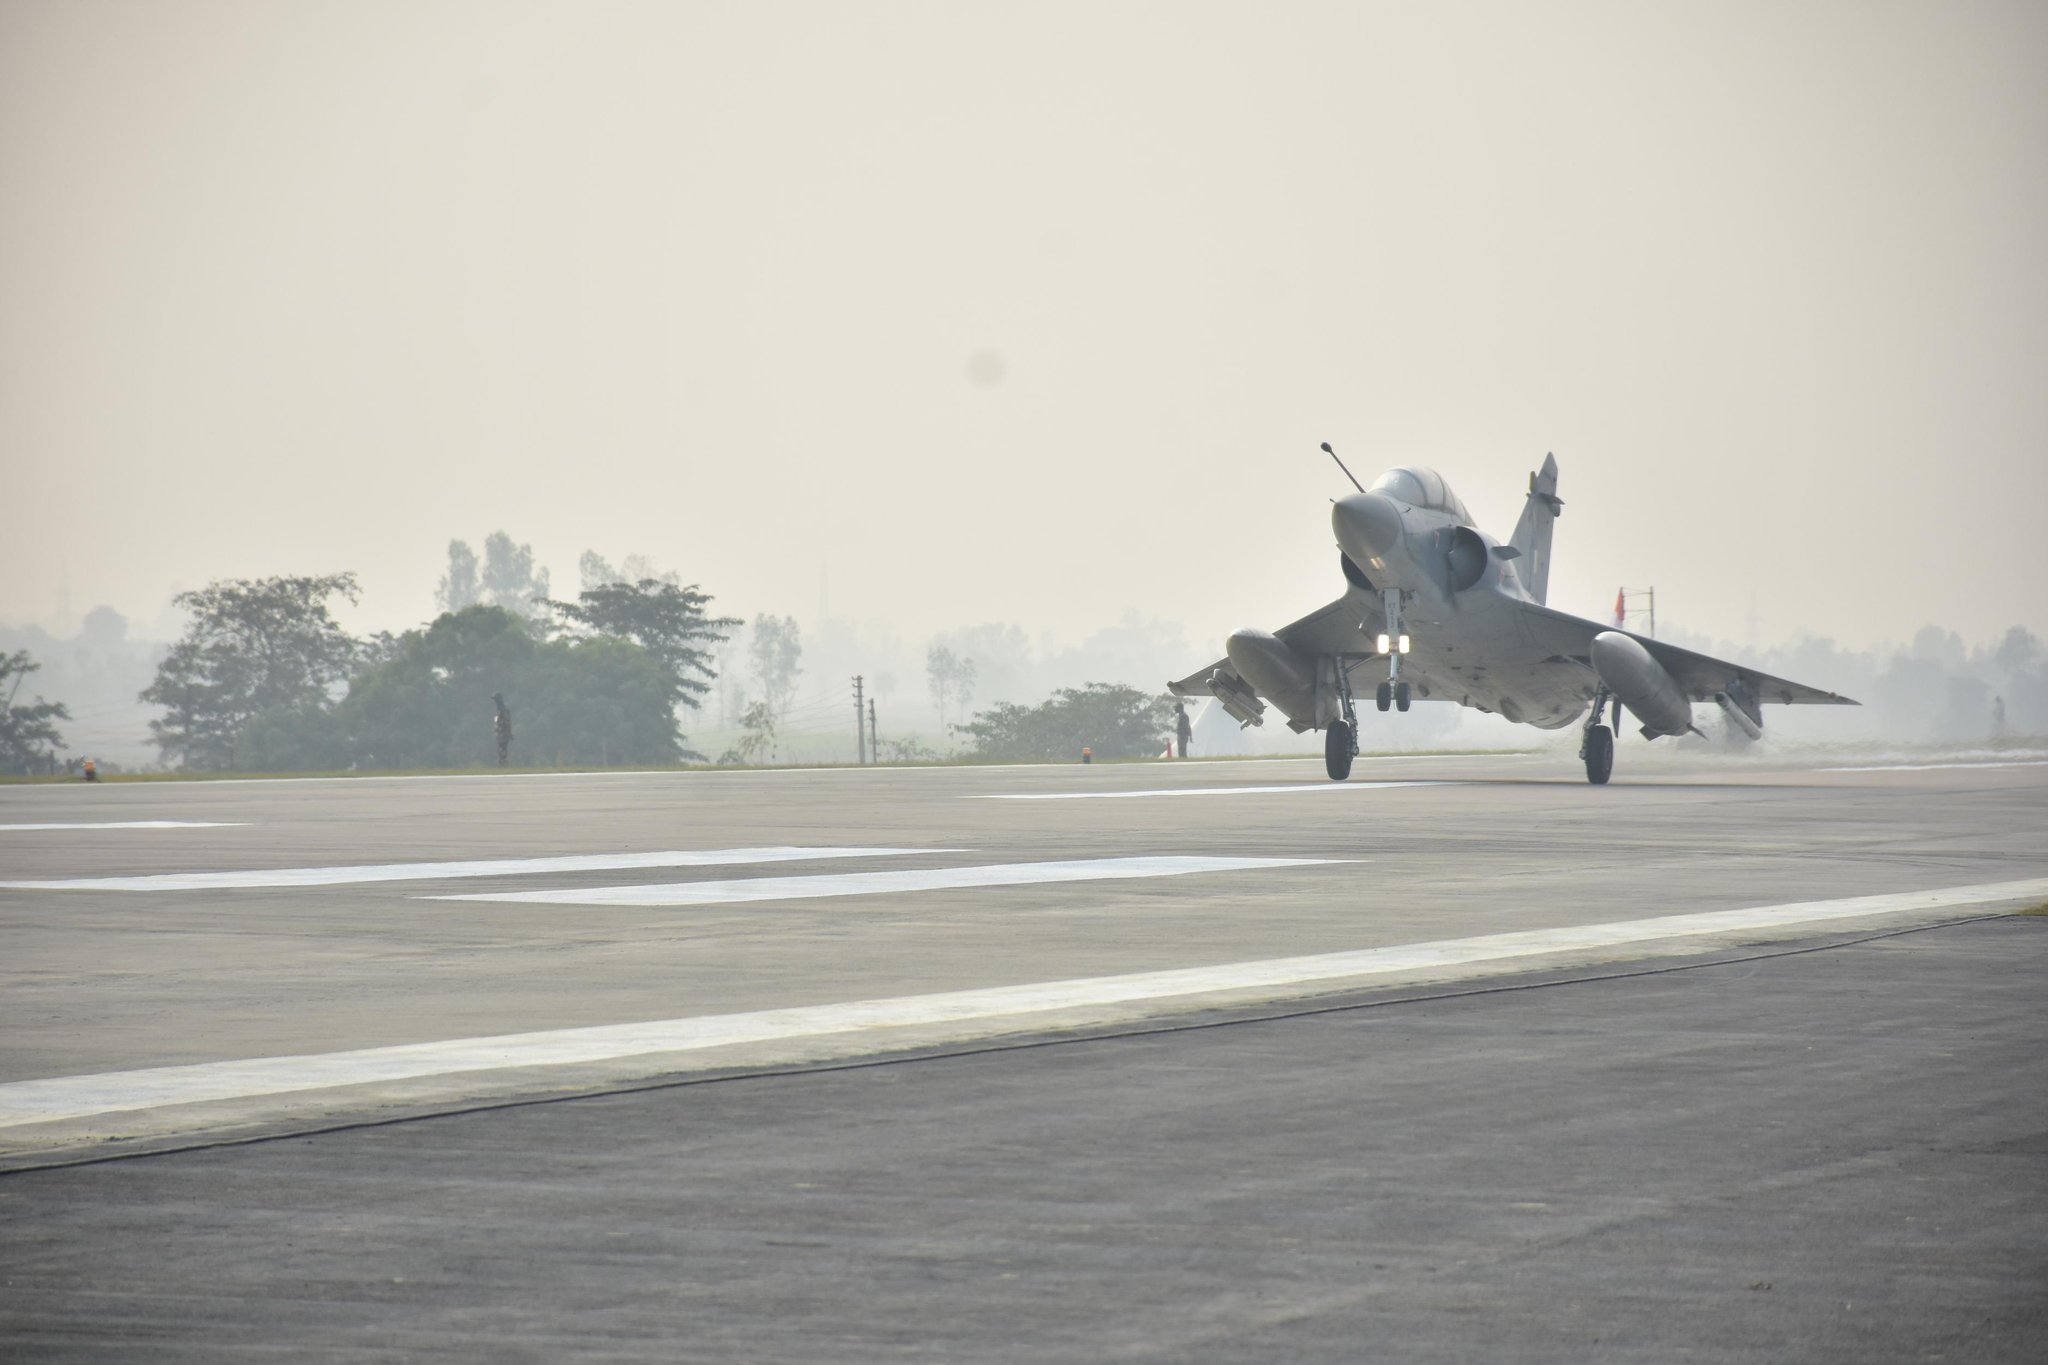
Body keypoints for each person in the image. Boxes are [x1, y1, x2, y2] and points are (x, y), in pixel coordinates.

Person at [492, 693, 513, 767]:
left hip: (503, 732)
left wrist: (509, 732)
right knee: (501, 748)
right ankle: (502, 763)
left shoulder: (503, 709)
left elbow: (507, 721)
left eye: (496, 699)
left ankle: (503, 763)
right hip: (499, 732)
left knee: (502, 748)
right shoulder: (498, 709)